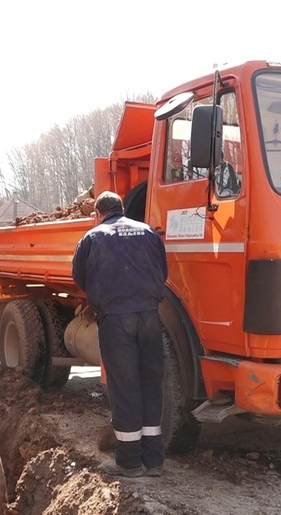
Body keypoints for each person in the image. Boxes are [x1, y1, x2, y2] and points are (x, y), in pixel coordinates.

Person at [72, 190, 168, 478]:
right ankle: (154, 461)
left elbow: (79, 277)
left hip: (117, 320)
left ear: (98, 213)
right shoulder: (149, 232)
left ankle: (128, 463)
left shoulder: (93, 237)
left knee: (125, 387)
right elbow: (162, 271)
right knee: (151, 384)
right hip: (150, 317)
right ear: (122, 209)